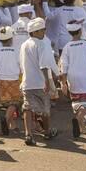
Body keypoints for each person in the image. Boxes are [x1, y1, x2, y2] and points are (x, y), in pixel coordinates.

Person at [17, 17, 58, 145]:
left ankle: (28, 134)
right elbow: (44, 65)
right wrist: (47, 81)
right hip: (40, 82)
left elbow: (21, 65)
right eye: (41, 30)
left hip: (27, 82)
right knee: (45, 109)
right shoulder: (41, 44)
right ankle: (47, 132)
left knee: (27, 108)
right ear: (34, 32)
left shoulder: (24, 45)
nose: (44, 32)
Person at [58, 19, 86, 137]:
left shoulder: (67, 47)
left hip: (72, 77)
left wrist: (64, 82)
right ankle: (79, 119)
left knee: (77, 101)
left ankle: (82, 127)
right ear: (80, 31)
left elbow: (63, 66)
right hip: (85, 76)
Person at [0, 25, 22, 136]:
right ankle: (6, 119)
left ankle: (12, 125)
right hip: (14, 79)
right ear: (11, 39)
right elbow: (21, 65)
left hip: (2, 79)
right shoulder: (17, 51)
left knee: (6, 103)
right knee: (15, 102)